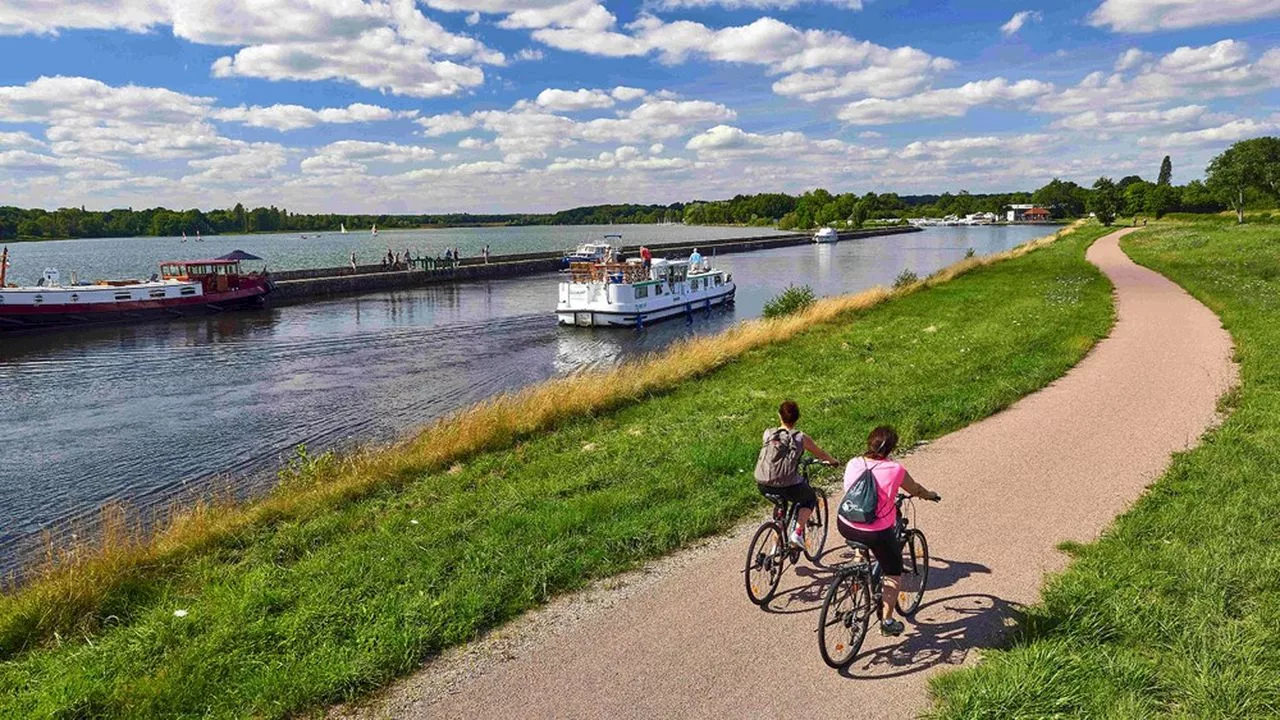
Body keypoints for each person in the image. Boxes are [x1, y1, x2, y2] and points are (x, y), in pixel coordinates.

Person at [837, 425, 940, 637]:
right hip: (875, 532)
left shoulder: (854, 462)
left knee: (862, 541)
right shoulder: (895, 470)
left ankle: (858, 572)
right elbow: (916, 489)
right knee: (893, 571)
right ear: (892, 448)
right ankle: (887, 620)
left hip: (845, 522)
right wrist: (930, 495)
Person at [758, 400, 840, 548]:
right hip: (788, 485)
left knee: (782, 508)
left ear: (779, 415)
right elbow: (820, 453)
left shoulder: (768, 434)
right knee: (809, 498)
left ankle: (773, 550)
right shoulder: (800, 437)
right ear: (797, 418)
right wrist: (833, 461)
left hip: (763, 483)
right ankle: (797, 533)